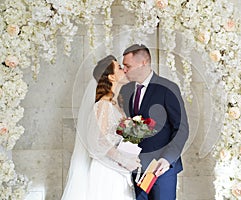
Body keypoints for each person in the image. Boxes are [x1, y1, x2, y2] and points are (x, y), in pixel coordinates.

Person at [61, 55, 140, 200]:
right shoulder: (103, 105)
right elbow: (98, 141)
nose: (125, 70)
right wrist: (124, 160)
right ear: (111, 77)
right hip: (106, 171)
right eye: (120, 68)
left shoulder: (116, 104)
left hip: (118, 170)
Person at [121, 44, 189, 200]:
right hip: (133, 170)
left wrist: (167, 159)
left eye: (127, 66)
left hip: (161, 169)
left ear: (143, 62)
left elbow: (181, 129)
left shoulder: (168, 88)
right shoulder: (125, 90)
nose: (124, 70)